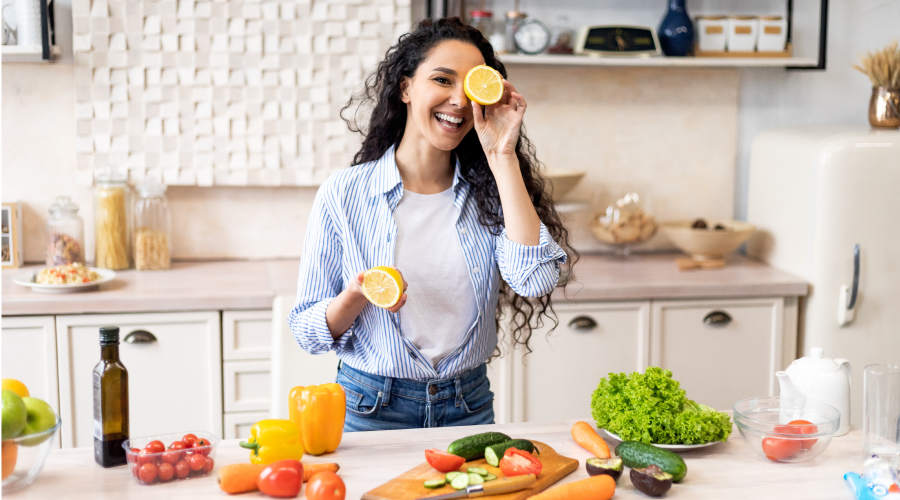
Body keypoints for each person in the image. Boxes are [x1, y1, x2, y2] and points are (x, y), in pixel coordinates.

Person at [289, 17, 575, 432]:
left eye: (471, 88)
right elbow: (307, 332)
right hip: (371, 408)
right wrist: (355, 295)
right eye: (442, 79)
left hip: (468, 406)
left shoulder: (492, 191)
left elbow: (535, 280)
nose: (458, 100)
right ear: (406, 88)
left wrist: (503, 156)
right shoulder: (344, 193)